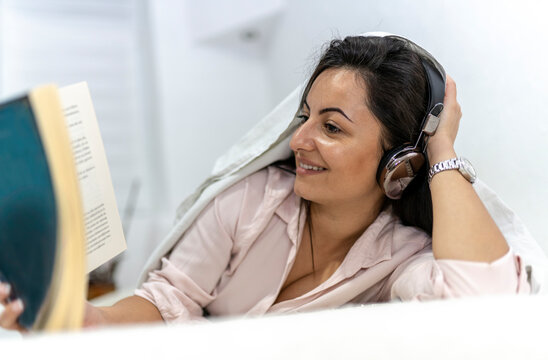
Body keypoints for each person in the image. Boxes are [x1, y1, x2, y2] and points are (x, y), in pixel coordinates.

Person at [0, 34, 530, 330]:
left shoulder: (402, 257)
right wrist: (79, 317)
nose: (300, 141)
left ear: (398, 163)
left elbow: (484, 300)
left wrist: (440, 149)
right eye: (304, 119)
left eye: (331, 127)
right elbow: (168, 302)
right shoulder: (250, 202)